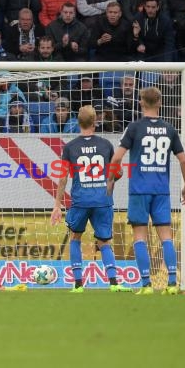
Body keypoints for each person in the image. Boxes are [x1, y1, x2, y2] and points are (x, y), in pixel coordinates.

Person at [108, 87, 185, 295]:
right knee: (166, 237)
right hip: (161, 191)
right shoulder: (170, 128)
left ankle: (146, 285)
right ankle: (172, 283)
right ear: (161, 102)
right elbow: (183, 161)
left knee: (140, 237)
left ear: (141, 103)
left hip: (139, 190)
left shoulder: (134, 127)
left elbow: (117, 158)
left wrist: (112, 178)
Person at [51, 105, 132, 293]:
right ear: (95, 122)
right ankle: (114, 283)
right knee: (104, 242)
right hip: (102, 200)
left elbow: (63, 177)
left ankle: (78, 284)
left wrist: (57, 205)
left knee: (75, 238)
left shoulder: (70, 147)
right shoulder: (105, 145)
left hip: (80, 200)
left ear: (78, 122)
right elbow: (116, 173)